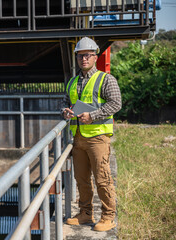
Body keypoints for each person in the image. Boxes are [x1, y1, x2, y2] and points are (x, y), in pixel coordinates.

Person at [62, 37, 122, 232]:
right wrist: (65, 111)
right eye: (80, 56)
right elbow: (65, 102)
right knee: (81, 179)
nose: (83, 59)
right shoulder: (72, 81)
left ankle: (108, 216)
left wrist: (93, 115)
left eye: (87, 55)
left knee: (102, 178)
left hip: (98, 137)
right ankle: (85, 213)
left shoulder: (106, 79)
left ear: (95, 57)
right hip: (78, 137)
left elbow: (115, 103)